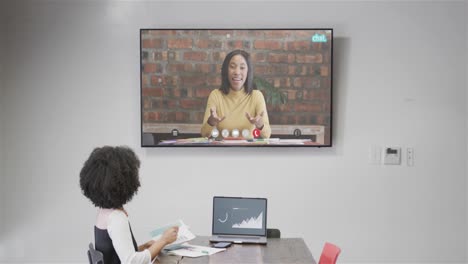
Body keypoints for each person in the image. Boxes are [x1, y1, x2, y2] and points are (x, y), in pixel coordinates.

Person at [79, 146, 178, 264]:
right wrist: (163, 240)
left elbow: (115, 254)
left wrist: (146, 246)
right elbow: (131, 261)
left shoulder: (103, 213)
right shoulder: (116, 218)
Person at [201, 49, 271, 139]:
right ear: (226, 70)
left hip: (248, 151)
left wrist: (260, 125)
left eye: (242, 68)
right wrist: (211, 122)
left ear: (248, 71)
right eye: (232, 67)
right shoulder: (216, 95)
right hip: (221, 151)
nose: (237, 72)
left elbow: (267, 135)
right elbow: (204, 134)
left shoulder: (257, 96)